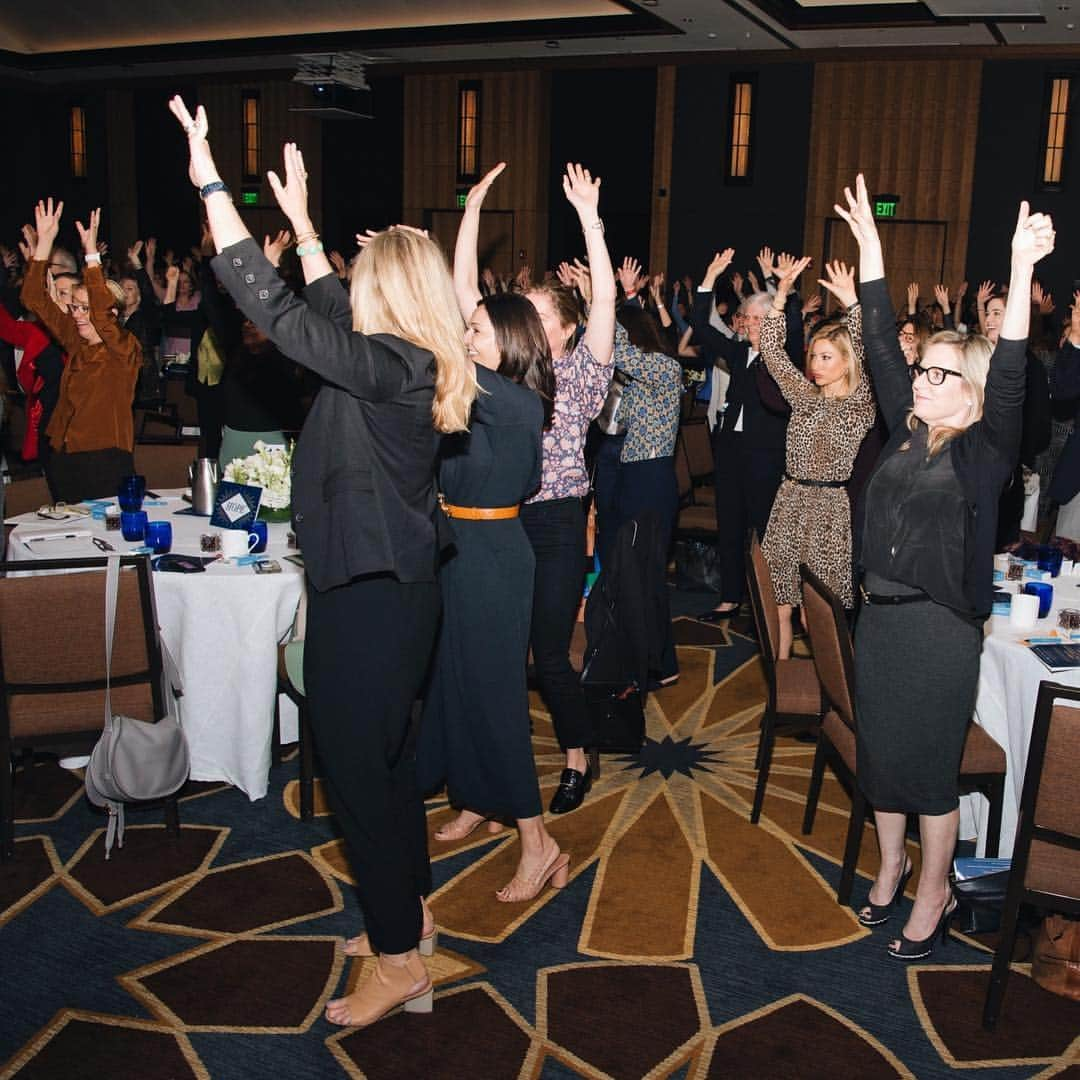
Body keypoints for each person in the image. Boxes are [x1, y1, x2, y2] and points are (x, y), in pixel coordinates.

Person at [169, 96, 477, 1027]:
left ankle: (395, 961)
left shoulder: (391, 366)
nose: (349, 277)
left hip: (376, 599)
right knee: (379, 765)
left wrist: (211, 183)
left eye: (360, 269)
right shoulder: (401, 355)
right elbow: (323, 304)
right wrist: (301, 223)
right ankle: (407, 914)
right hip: (386, 591)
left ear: (394, 291)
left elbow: (279, 310)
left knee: (354, 766)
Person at [836, 173, 1053, 960]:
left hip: (937, 633)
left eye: (937, 373)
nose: (919, 380)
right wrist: (870, 250)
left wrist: (1022, 272)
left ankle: (935, 885)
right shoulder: (903, 431)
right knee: (881, 757)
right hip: (880, 620)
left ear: (971, 392)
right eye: (919, 371)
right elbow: (877, 336)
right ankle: (890, 864)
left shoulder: (982, 456)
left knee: (927, 771)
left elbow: (1018, 371)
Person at [417, 177, 566, 898]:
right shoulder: (486, 387)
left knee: (497, 695)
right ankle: (476, 798)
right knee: (455, 682)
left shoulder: (507, 399)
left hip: (493, 558)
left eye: (477, 331)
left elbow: (444, 321)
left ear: (505, 344)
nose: (464, 336)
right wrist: (469, 212)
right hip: (459, 551)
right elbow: (455, 315)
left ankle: (537, 841)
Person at [467, 162, 616, 815]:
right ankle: (489, 766)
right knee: (495, 652)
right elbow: (465, 298)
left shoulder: (583, 374)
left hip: (556, 522)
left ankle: (578, 756)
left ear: (564, 328)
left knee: (550, 654)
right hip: (497, 521)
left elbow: (607, 300)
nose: (521, 319)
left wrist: (589, 217)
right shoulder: (503, 368)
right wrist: (472, 212)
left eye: (534, 313)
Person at [759, 258, 875, 659]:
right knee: (779, 606)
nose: (816, 365)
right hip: (789, 503)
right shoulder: (803, 396)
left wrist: (853, 304)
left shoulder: (859, 406)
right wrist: (781, 295)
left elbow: (870, 352)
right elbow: (771, 351)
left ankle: (838, 700)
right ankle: (782, 687)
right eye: (814, 356)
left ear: (847, 362)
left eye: (827, 358)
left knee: (818, 615)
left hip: (828, 510)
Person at [690, 251, 795, 620]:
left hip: (766, 454)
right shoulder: (736, 352)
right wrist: (708, 279)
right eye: (745, 317)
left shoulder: (784, 356)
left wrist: (784, 289)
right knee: (730, 524)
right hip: (731, 450)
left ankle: (768, 600)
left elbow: (792, 325)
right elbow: (701, 328)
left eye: (755, 318)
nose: (747, 323)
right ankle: (731, 595)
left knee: (766, 530)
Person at [20, 203, 141, 502]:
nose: (76, 314)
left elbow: (100, 314)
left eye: (83, 308)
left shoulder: (125, 350)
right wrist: (44, 244)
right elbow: (33, 298)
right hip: (64, 456)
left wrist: (91, 255)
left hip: (105, 461)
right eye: (74, 307)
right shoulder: (77, 342)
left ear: (111, 313)